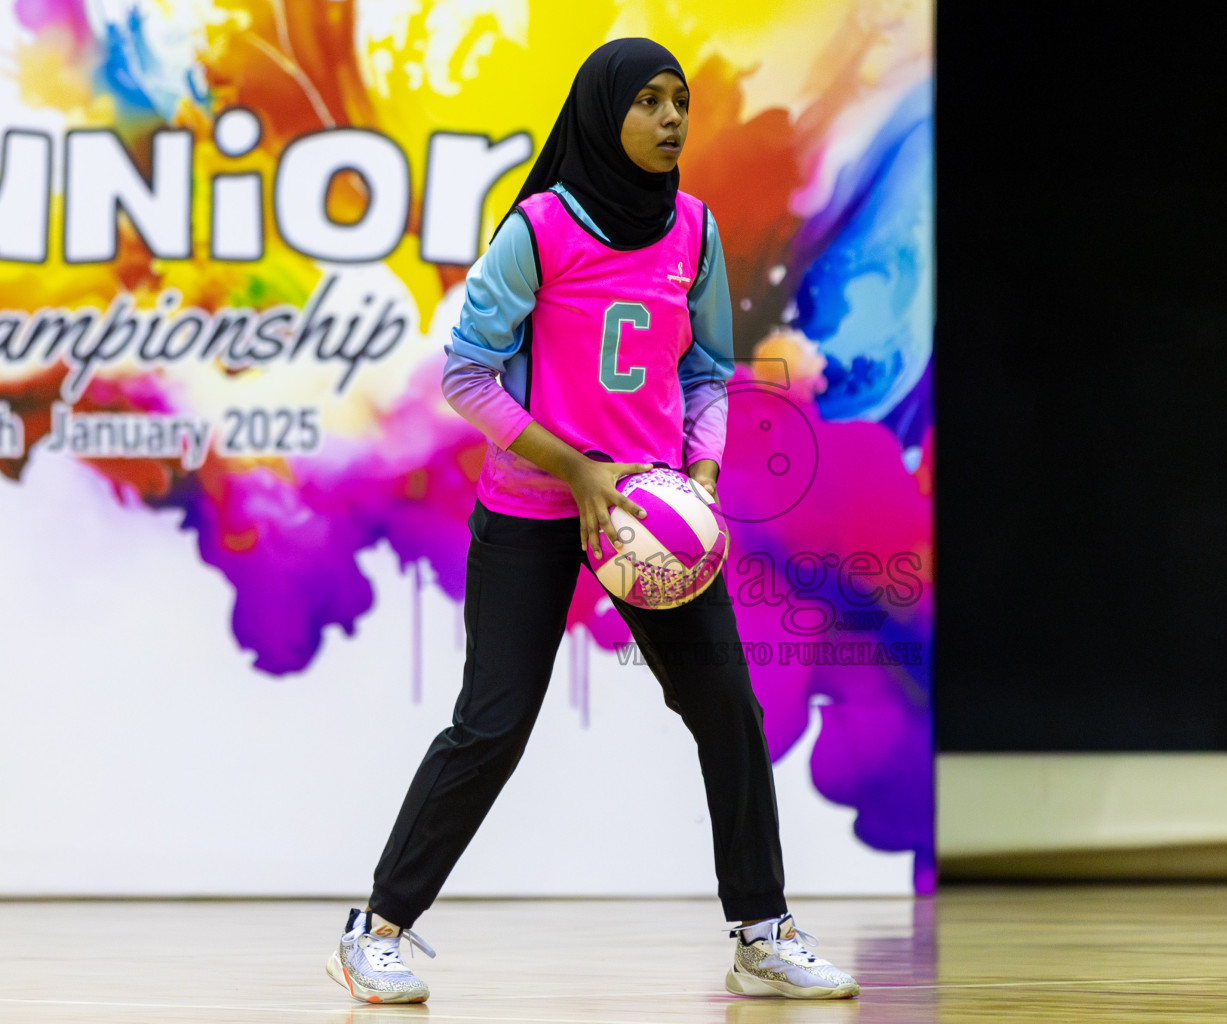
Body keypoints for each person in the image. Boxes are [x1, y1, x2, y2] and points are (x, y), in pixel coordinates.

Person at [323, 37, 859, 1004]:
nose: (670, 118)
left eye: (678, 100)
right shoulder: (540, 230)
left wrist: (699, 475)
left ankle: (762, 932)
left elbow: (707, 372)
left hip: (650, 520)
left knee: (729, 712)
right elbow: (466, 374)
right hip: (534, 509)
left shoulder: (692, 229)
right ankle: (376, 930)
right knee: (492, 728)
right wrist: (576, 470)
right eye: (647, 101)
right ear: (602, 115)